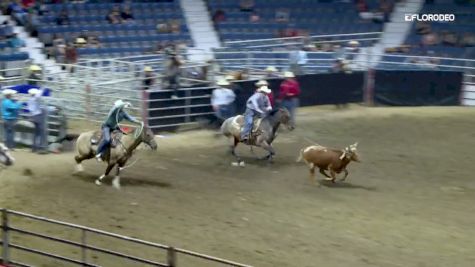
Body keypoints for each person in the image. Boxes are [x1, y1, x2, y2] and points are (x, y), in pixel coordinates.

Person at [27, 88, 48, 154]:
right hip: (39, 116)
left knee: (36, 132)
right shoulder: (36, 99)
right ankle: (42, 148)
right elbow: (38, 95)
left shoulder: (29, 100)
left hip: (33, 116)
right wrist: (43, 89)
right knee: (43, 132)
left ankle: (34, 147)